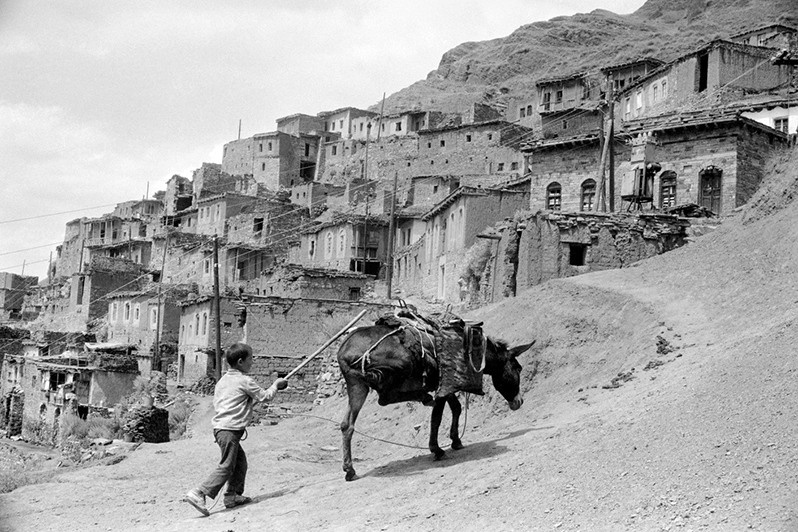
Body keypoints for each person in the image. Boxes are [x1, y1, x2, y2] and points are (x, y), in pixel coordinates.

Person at [184, 342, 288, 517]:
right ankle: (199, 493)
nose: (252, 363)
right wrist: (276, 385)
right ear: (240, 362)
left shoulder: (223, 381)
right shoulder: (244, 381)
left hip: (221, 429)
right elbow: (264, 397)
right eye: (250, 359)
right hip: (229, 430)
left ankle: (232, 496)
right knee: (227, 466)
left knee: (240, 463)